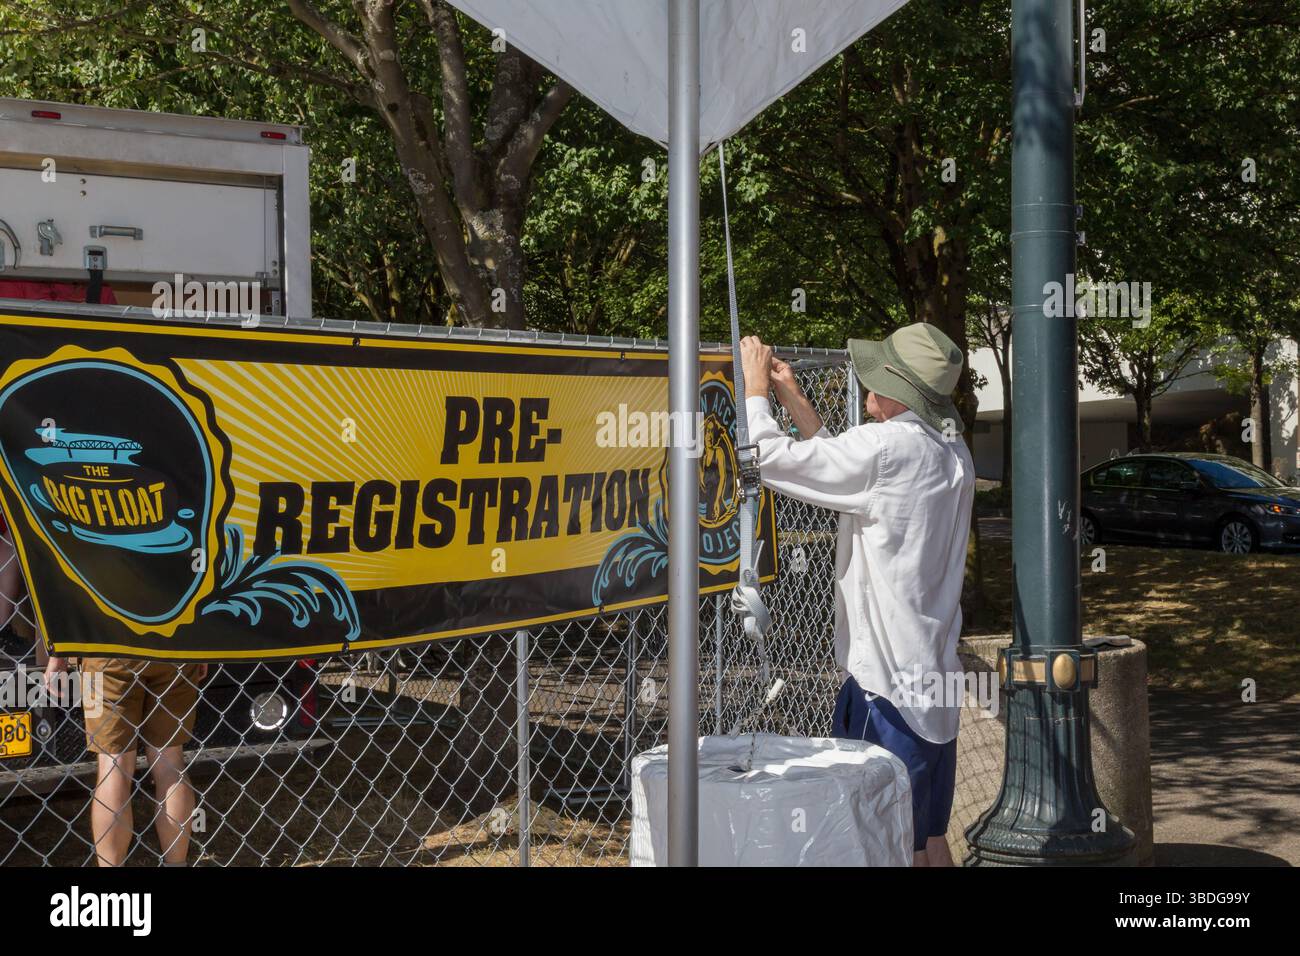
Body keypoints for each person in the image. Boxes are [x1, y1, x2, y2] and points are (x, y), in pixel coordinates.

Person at [740, 323, 975, 867]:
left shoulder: (888, 450)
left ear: (899, 387)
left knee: (885, 846)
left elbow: (770, 460)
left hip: (885, 689)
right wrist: (794, 397)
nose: (863, 388)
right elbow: (844, 474)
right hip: (934, 686)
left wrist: (755, 390)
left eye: (872, 378)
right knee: (930, 838)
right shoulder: (950, 449)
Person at [45, 654, 207, 866]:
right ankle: (177, 863)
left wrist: (58, 657)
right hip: (174, 649)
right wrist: (201, 649)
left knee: (114, 765)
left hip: (106, 649)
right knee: (170, 760)